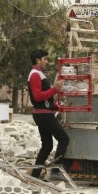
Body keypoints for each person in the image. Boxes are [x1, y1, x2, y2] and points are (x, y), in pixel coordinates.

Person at [28, 49, 69, 180]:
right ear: (37, 60)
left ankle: (35, 174)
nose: (47, 61)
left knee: (47, 145)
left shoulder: (39, 74)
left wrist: (58, 107)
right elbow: (38, 96)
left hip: (42, 113)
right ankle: (56, 171)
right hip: (43, 115)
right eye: (45, 59)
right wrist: (55, 89)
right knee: (64, 139)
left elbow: (45, 99)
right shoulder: (35, 74)